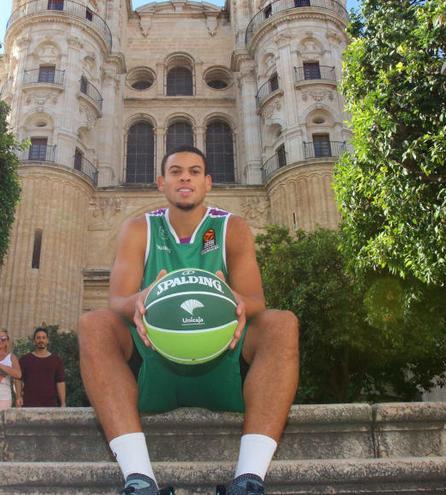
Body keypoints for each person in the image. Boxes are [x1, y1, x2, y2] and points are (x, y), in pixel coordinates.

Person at [78, 146, 299, 495]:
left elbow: (256, 301)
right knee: (93, 324)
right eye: (177, 171)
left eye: (195, 171)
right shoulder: (138, 229)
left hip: (222, 359)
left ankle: (248, 480)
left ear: (208, 182)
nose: (185, 177)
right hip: (156, 361)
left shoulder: (231, 227)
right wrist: (139, 299)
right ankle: (139, 480)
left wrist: (236, 302)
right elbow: (116, 300)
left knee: (282, 323)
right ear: (161, 182)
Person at [16, 326, 66, 407]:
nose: (41, 340)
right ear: (34, 341)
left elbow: (60, 382)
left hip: (50, 404)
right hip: (28, 403)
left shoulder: (56, 360)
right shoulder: (25, 359)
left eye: (43, 338)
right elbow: (18, 379)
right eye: (38, 338)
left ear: (47, 340)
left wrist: (63, 403)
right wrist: (18, 397)